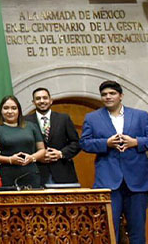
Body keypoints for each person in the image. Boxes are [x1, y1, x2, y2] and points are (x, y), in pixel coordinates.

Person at [80, 80, 148, 244]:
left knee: (137, 230)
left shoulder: (140, 115)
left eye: (112, 93)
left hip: (137, 181)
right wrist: (106, 143)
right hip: (108, 181)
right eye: (104, 94)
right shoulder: (92, 117)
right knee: (109, 229)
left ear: (121, 96)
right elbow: (84, 143)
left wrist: (136, 142)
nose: (108, 97)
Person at [24, 87, 80, 185]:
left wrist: (60, 153)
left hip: (63, 172)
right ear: (33, 102)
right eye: (38, 98)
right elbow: (21, 144)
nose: (42, 101)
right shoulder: (25, 121)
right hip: (36, 173)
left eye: (45, 98)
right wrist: (36, 156)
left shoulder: (63, 118)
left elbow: (76, 143)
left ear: (50, 101)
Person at [0, 96, 45, 188]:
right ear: (1, 111)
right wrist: (10, 159)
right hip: (7, 172)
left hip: (30, 171)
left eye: (13, 108)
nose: (10, 111)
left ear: (19, 110)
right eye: (6, 108)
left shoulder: (32, 126)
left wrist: (32, 157)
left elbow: (42, 150)